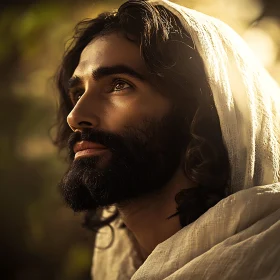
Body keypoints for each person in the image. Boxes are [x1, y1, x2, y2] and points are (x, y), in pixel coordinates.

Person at [54, 0, 280, 279]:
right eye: (78, 92)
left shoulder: (270, 250)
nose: (76, 117)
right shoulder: (113, 264)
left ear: (195, 110)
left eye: (118, 85)